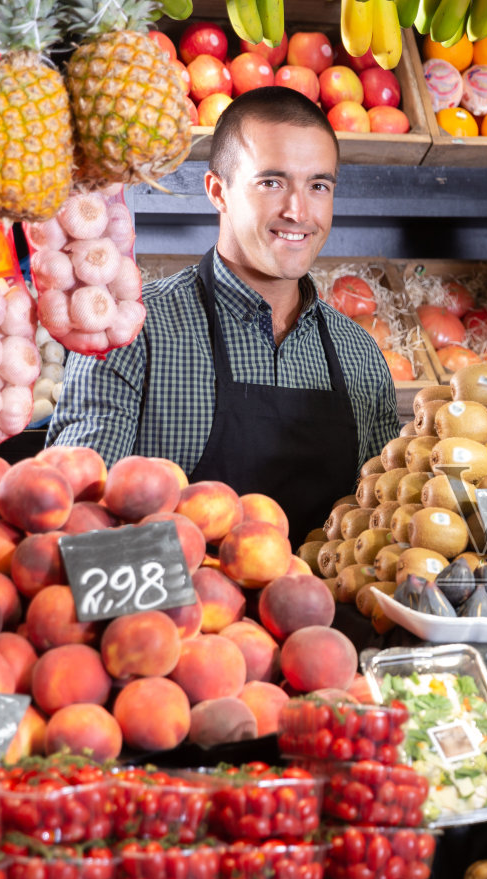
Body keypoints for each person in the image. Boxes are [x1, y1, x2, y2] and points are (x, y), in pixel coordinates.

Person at [47, 86, 400, 539]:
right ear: (218, 190)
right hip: (176, 608)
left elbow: (382, 527)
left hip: (327, 608)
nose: (298, 211)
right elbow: (78, 521)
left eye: (318, 186)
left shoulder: (360, 355)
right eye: (271, 183)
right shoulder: (133, 333)